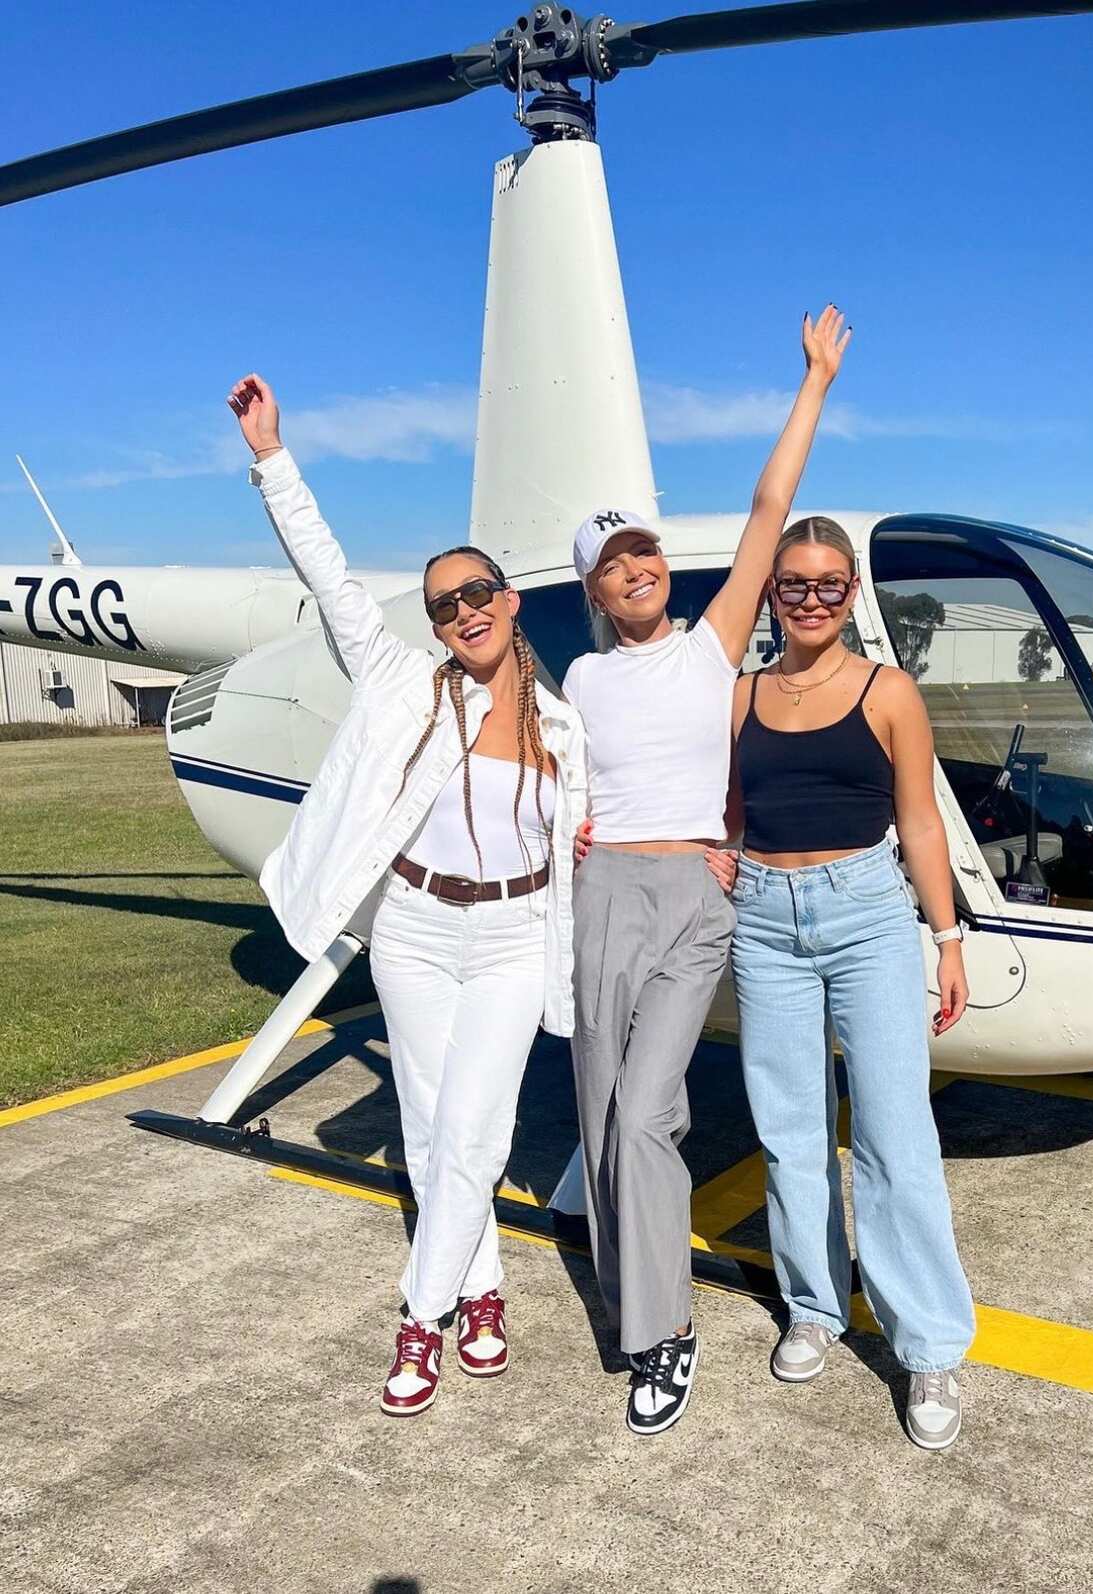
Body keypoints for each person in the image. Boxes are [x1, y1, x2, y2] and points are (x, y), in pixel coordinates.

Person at [227, 374, 589, 1419]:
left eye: (479, 593)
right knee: (430, 1129)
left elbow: (615, 824)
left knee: (474, 1127)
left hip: (515, 931)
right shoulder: (401, 684)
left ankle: (415, 1319)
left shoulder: (563, 730)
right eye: (445, 604)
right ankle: (482, 1294)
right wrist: (272, 457)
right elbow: (331, 577)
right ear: (433, 623)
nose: (465, 611)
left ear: (508, 601)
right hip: (419, 927)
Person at [564, 306, 852, 1436]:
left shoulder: (709, 643)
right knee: (599, 1117)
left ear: (657, 563)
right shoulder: (578, 686)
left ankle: (664, 1334)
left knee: (644, 1112)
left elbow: (768, 512)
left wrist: (812, 385)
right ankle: (629, 1284)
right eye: (608, 563)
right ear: (592, 591)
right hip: (599, 896)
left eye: (640, 550)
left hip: (692, 897)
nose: (631, 568)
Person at [725, 514, 976, 1450]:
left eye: (832, 584)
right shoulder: (741, 695)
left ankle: (930, 1345)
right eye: (795, 584)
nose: (813, 599)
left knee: (893, 1132)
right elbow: (728, 815)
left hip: (868, 910)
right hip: (765, 914)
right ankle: (814, 1308)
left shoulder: (888, 690)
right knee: (788, 1130)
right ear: (773, 594)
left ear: (854, 594)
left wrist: (945, 937)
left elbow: (920, 822)